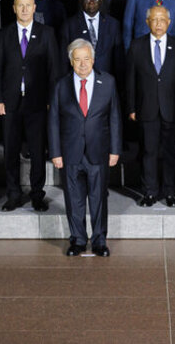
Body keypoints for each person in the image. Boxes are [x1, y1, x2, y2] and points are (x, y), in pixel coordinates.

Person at [0, 0, 63, 212]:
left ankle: (37, 194)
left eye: (28, 5)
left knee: (38, 151)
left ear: (34, 8)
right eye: (20, 5)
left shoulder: (47, 33)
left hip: (37, 103)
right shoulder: (4, 35)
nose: (24, 9)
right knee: (10, 151)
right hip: (9, 103)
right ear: (13, 8)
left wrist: (52, 101)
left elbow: (54, 71)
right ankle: (13, 194)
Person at [50, 39, 122, 257]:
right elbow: (53, 120)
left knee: (99, 198)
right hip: (70, 152)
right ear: (71, 61)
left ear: (93, 59)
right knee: (74, 199)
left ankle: (100, 241)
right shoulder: (61, 85)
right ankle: (78, 240)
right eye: (78, 59)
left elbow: (115, 118)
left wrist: (115, 150)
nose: (83, 64)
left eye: (87, 59)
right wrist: (55, 152)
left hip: (98, 151)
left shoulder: (107, 82)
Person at [125, 5, 175, 207]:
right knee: (149, 152)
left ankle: (171, 193)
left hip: (172, 110)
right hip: (146, 109)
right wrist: (131, 108)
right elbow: (130, 81)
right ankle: (150, 193)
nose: (158, 24)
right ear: (147, 22)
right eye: (154, 20)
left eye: (162, 20)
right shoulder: (136, 47)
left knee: (172, 153)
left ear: (169, 22)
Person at [61, 0, 124, 80]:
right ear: (81, 0)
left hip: (106, 81)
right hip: (78, 80)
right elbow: (64, 60)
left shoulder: (113, 24)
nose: (91, 2)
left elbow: (118, 59)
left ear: (101, 0)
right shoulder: (69, 25)